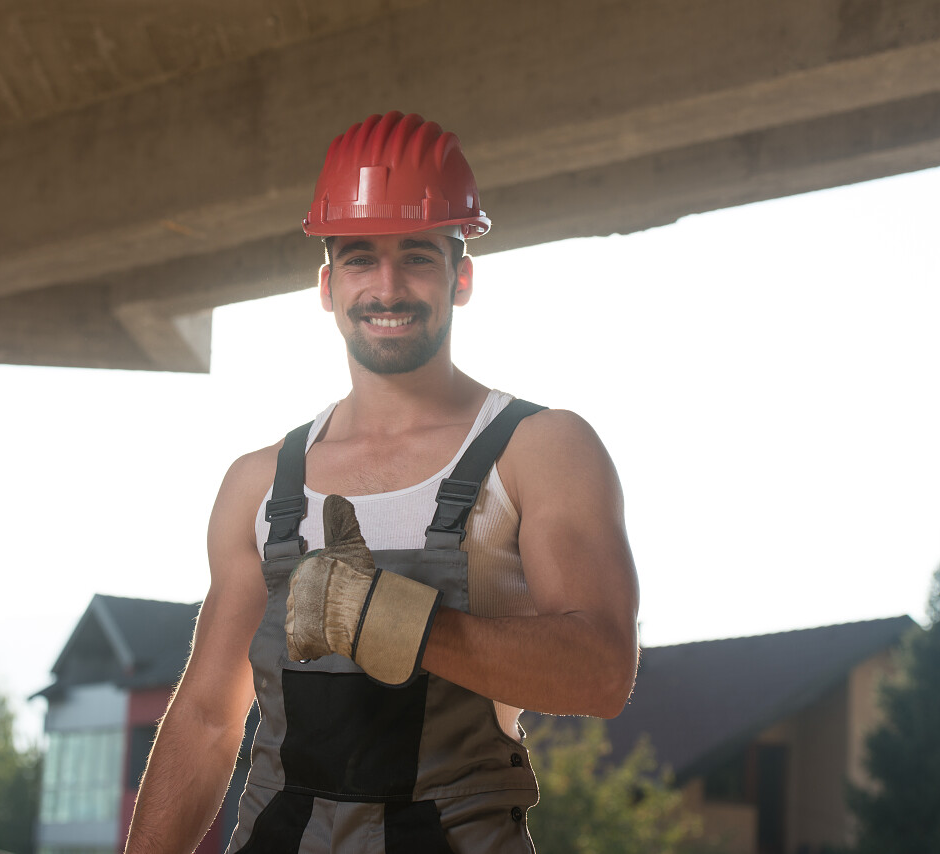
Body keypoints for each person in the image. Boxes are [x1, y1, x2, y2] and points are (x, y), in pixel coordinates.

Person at [124, 112, 640, 853]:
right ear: (328, 285)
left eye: (418, 257)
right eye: (362, 259)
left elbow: (601, 674)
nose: (388, 287)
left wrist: (407, 625)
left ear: (461, 276)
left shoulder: (540, 449)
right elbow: (208, 718)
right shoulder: (259, 484)